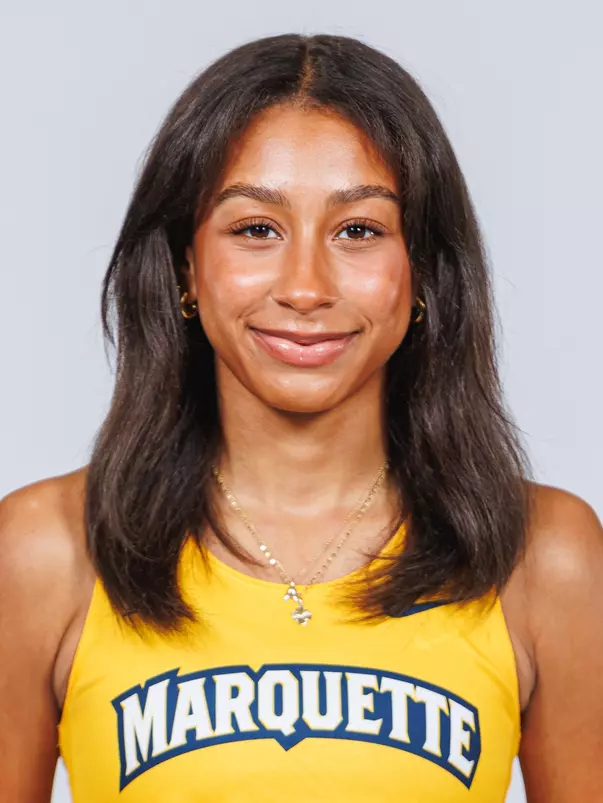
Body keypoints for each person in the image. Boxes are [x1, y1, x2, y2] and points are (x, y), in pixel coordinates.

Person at [1, 32, 602, 803]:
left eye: (359, 230)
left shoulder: (542, 557)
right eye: (256, 228)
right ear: (187, 265)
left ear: (420, 271)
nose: (306, 286)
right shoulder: (47, 551)